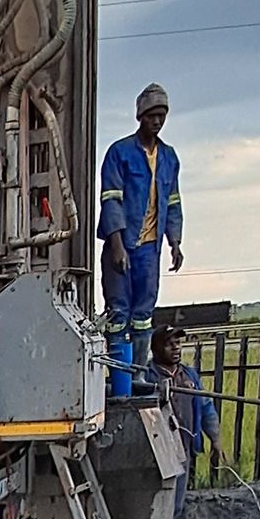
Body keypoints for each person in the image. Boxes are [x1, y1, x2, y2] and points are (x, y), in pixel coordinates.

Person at [98, 84, 184, 379]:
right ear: (140, 117)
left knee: (143, 315)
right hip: (121, 244)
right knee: (118, 313)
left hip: (150, 248)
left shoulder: (170, 158)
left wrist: (175, 242)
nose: (157, 122)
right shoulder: (119, 153)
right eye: (151, 116)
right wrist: (117, 246)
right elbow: (111, 200)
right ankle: (119, 376)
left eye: (161, 116)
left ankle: (137, 376)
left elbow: (173, 201)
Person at [146, 325, 222, 515]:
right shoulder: (147, 376)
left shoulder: (189, 376)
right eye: (169, 344)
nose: (176, 348)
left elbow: (206, 408)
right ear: (156, 349)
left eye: (178, 343)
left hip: (184, 447)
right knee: (154, 502)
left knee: (177, 503)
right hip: (156, 450)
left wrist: (215, 440)